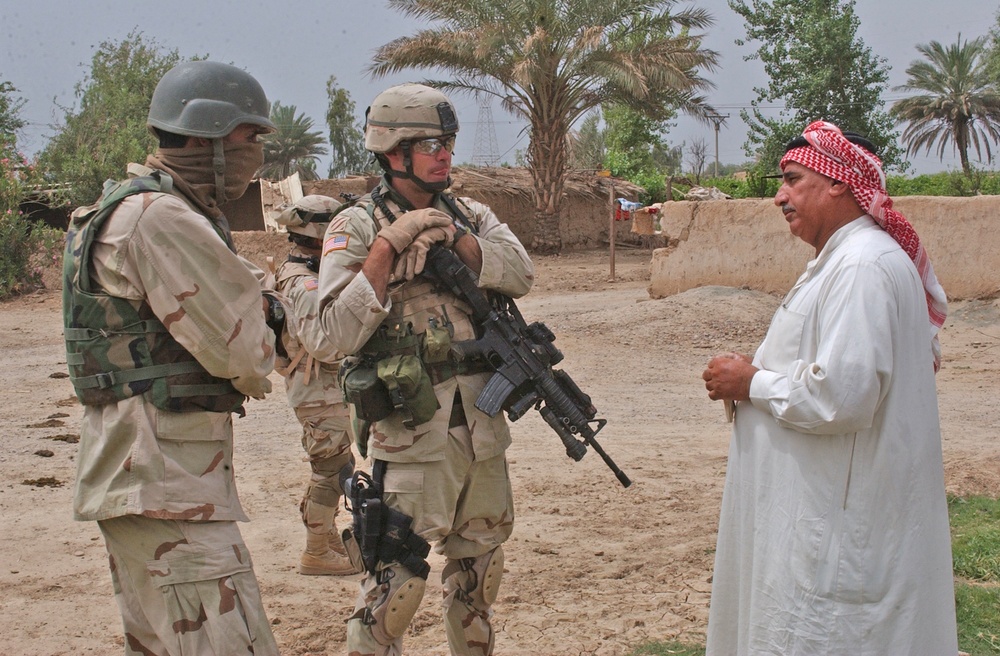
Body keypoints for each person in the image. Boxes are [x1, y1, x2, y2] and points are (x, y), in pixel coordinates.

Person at [701, 121, 957, 654]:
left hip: (838, 534)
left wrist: (752, 382)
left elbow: (841, 396)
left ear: (839, 182)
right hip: (823, 517)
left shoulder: (862, 264)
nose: (779, 196)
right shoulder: (841, 258)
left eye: (793, 179)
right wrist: (761, 375)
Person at [62, 61, 283, 655]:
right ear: (205, 137)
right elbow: (248, 352)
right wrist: (274, 317)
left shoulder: (130, 206)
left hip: (146, 480)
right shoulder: (161, 218)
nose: (255, 152)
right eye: (248, 138)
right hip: (167, 487)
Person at [315, 83, 534, 656]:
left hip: (482, 431)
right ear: (393, 153)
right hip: (413, 432)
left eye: (449, 141)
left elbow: (520, 273)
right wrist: (387, 250)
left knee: (479, 577)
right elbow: (334, 333)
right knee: (397, 587)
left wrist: (455, 238)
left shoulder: (473, 215)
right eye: (431, 143)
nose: (446, 154)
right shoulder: (355, 227)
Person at [272, 194, 360, 576]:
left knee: (335, 465)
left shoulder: (305, 273)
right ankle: (315, 553)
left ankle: (324, 538)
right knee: (331, 470)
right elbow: (325, 346)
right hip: (318, 390)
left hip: (322, 390)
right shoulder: (305, 284)